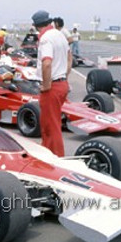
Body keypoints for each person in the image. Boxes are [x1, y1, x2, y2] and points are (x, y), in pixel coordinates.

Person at [32, 10, 72, 157]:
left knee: (51, 127)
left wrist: (47, 84)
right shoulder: (60, 35)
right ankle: (48, 153)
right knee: (51, 124)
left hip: (52, 87)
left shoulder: (46, 39)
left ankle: (55, 159)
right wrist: (64, 76)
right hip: (62, 84)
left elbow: (47, 63)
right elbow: (69, 58)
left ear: (36, 26)